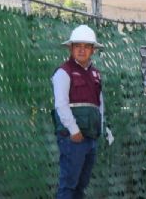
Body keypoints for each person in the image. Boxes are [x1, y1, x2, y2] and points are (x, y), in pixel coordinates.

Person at [52, 25, 105, 199]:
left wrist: (100, 128)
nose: (81, 50)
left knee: (81, 186)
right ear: (71, 48)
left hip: (90, 137)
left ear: (93, 50)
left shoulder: (96, 74)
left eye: (86, 46)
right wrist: (74, 130)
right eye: (77, 46)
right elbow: (61, 104)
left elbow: (99, 103)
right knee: (68, 185)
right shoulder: (63, 72)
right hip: (72, 138)